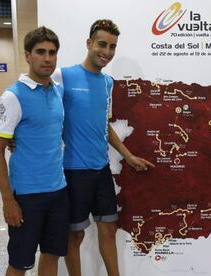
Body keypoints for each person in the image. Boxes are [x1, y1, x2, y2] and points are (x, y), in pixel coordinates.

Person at [52, 19, 155, 276]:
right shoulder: (62, 76)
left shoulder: (107, 83)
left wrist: (128, 156)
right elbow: (42, 111)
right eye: (102, 44)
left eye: (112, 46)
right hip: (73, 172)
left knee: (108, 231)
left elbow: (103, 124)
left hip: (102, 171)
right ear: (89, 43)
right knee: (73, 237)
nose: (106, 52)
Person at [0, 27, 68, 276]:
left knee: (52, 255)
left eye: (52, 53)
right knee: (19, 263)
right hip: (26, 196)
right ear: (27, 55)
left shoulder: (57, 90)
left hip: (58, 191)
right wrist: (8, 201)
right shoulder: (13, 96)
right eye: (40, 52)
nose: (47, 58)